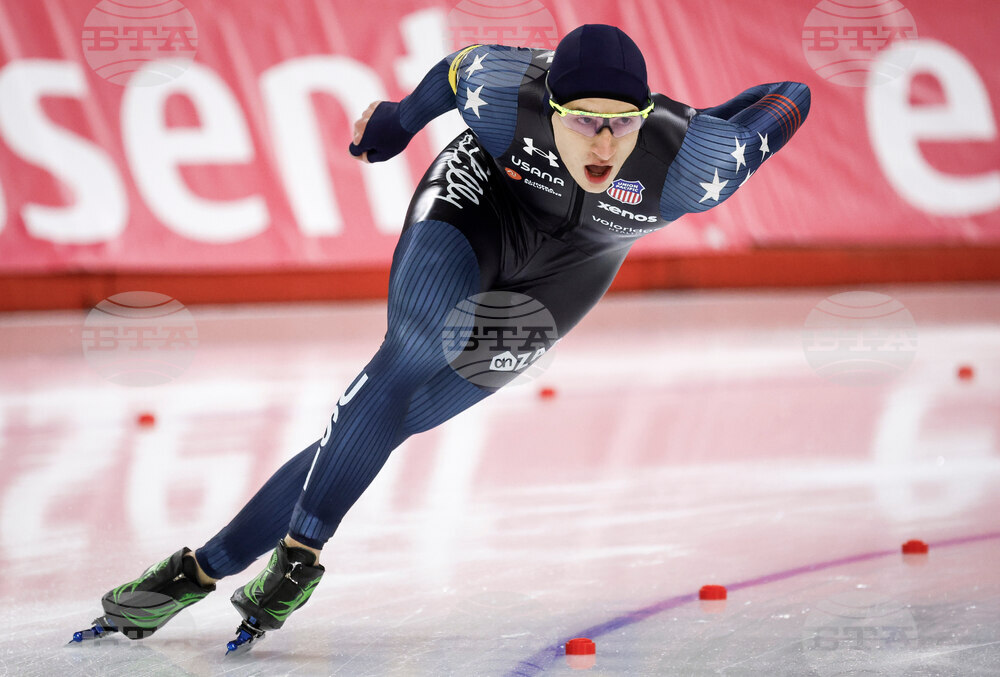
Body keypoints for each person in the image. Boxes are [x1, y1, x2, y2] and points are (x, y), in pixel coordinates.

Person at [71, 24, 810, 652]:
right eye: (582, 119)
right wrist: (396, 120)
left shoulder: (696, 163)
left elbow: (790, 97)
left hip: (570, 273)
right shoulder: (504, 93)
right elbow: (451, 74)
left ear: (645, 115)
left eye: (622, 121)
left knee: (398, 418)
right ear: (548, 102)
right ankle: (299, 556)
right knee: (414, 349)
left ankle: (201, 568)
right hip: (480, 206)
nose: (604, 140)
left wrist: (699, 122)